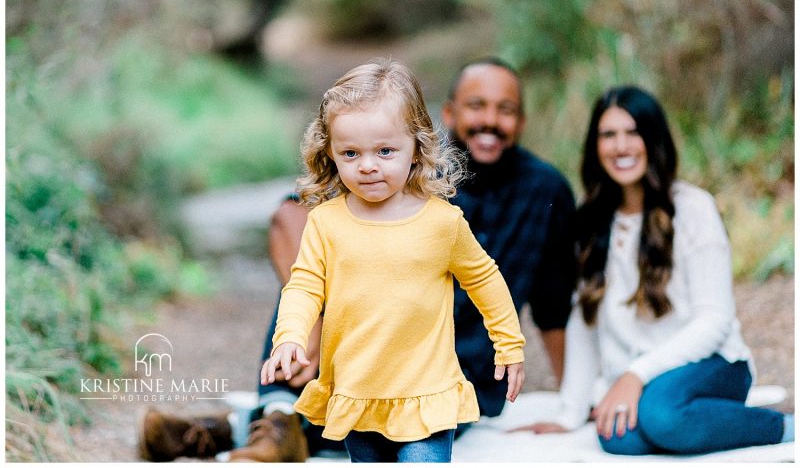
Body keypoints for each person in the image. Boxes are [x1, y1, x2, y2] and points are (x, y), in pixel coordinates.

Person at [138, 57, 576, 462]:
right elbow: (289, 220)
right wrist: (304, 329)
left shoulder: (536, 189)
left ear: (520, 120)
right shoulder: (377, 151)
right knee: (311, 282)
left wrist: (570, 402)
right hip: (359, 350)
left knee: (399, 428)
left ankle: (250, 426)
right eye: (476, 105)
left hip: (444, 367)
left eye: (506, 109)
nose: (489, 120)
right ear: (448, 114)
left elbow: (551, 304)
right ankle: (273, 417)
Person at [263, 57, 526, 462]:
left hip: (426, 395)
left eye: (385, 151)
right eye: (350, 153)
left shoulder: (442, 222)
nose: (367, 166)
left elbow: (484, 279)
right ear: (330, 152)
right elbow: (304, 285)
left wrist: (509, 344)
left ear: (417, 149)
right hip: (358, 393)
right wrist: (290, 337)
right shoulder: (327, 223)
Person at [514, 85, 794, 454]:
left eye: (634, 133)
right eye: (608, 135)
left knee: (660, 414)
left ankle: (782, 427)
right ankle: (693, 422)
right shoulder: (590, 222)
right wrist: (570, 412)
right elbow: (585, 320)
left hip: (714, 364)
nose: (621, 146)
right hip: (648, 381)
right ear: (595, 147)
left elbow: (715, 321)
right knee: (616, 437)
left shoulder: (693, 208)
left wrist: (636, 375)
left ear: (654, 139)